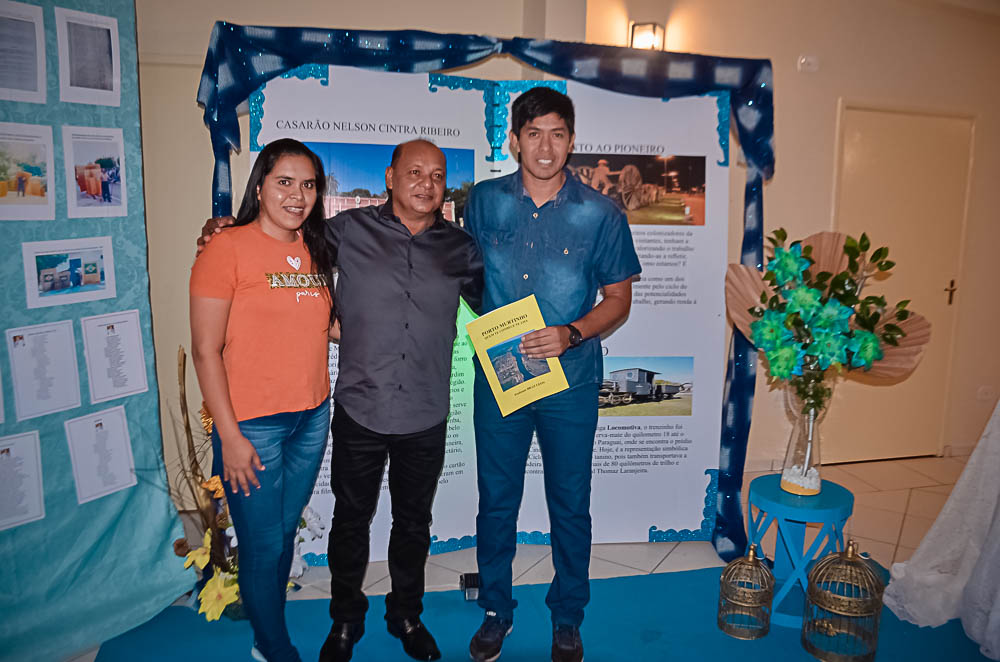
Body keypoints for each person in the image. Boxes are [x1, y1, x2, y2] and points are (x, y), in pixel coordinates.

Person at [198, 139, 483, 662]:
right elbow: (275, 236)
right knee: (352, 520)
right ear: (390, 177)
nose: (426, 183)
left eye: (437, 175)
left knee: (413, 523)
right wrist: (222, 229)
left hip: (426, 412)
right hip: (359, 409)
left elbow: (497, 313)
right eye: (414, 172)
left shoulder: (462, 249)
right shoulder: (342, 232)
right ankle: (346, 620)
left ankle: (405, 613)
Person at [464, 87, 641, 662]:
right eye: (533, 133)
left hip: (572, 378)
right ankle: (496, 610)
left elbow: (618, 299)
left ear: (572, 141)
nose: (546, 146)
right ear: (514, 140)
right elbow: (462, 273)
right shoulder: (483, 202)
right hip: (503, 377)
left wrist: (571, 334)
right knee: (497, 500)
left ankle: (568, 616)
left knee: (569, 501)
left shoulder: (601, 213)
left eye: (558, 134)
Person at [190, 138, 337, 662]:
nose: (297, 195)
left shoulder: (313, 249)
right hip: (252, 424)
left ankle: (264, 623)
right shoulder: (225, 248)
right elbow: (206, 352)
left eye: (308, 185)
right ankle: (274, 648)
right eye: (284, 182)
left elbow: (327, 326)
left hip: (312, 416)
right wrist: (228, 437)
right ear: (259, 185)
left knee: (281, 533)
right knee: (263, 542)